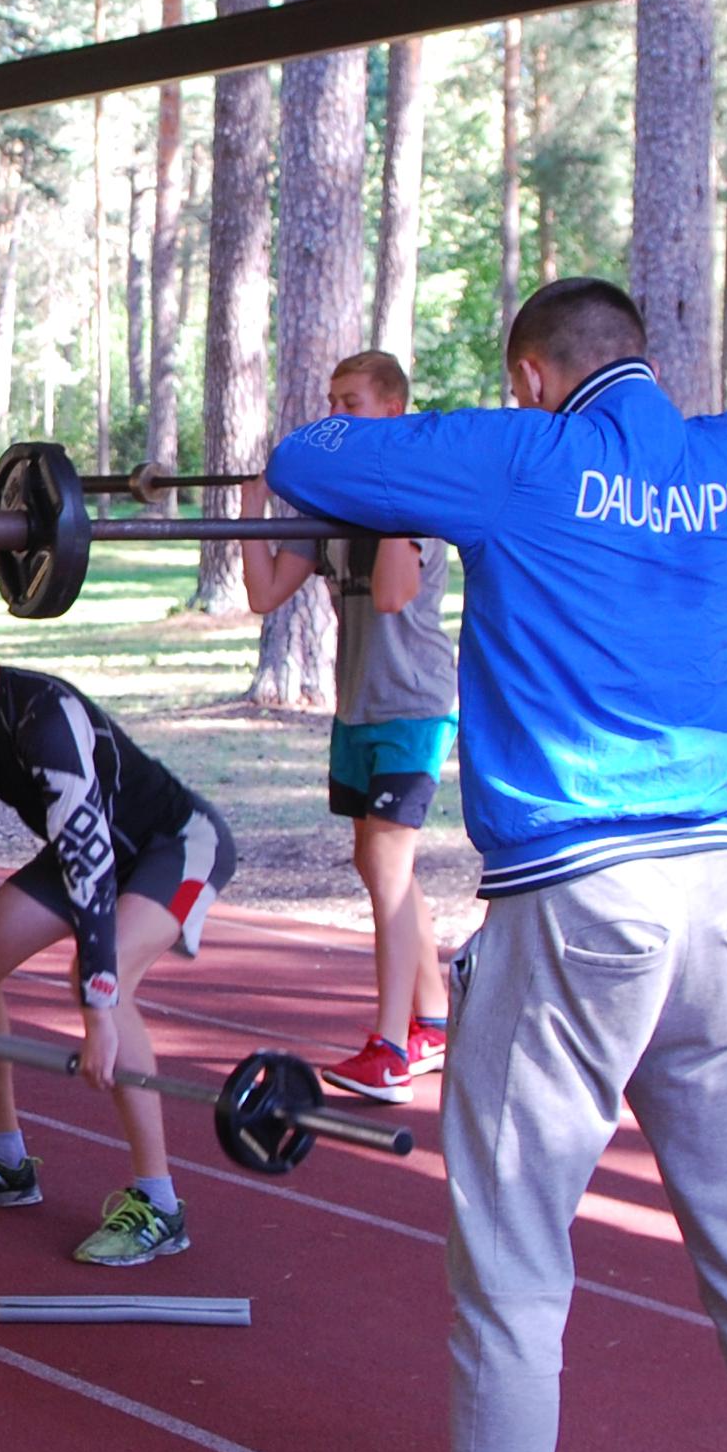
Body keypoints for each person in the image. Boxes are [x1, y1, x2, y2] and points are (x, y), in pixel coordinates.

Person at [269, 278, 727, 1452]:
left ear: (536, 375)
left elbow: (311, 459)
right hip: (714, 905)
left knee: (514, 1267)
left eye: (524, 382)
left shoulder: (525, 455)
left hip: (575, 908)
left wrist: (507, 444)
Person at [0, 560, 238, 1270]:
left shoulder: (43, 718)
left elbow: (88, 864)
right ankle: (7, 1161)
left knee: (101, 974)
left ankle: (159, 1204)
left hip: (174, 845)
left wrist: (100, 1012)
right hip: (92, 845)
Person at [238, 349, 457, 1102]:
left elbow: (395, 595)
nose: (336, 413)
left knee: (388, 874)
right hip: (356, 708)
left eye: (352, 402)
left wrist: (385, 492)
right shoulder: (326, 508)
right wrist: (251, 511)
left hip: (416, 707)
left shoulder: (419, 502)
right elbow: (267, 593)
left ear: (392, 412)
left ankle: (391, 1047)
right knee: (380, 869)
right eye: (331, 399)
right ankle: (432, 1017)